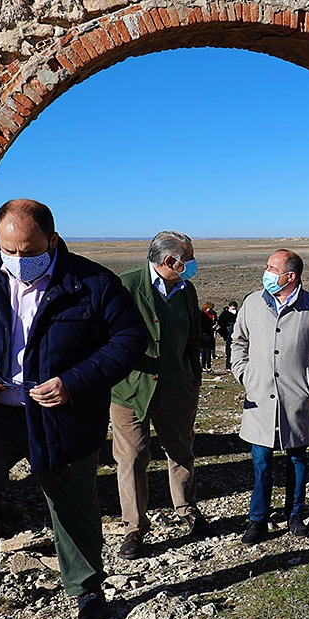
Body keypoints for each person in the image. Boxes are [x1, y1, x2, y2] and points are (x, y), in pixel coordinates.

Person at [0, 199, 147, 619]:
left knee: (72, 499)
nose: (18, 260)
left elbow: (128, 338)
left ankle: (86, 591)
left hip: (63, 413)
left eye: (29, 252)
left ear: (53, 240)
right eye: (9, 250)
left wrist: (75, 382)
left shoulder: (93, 282)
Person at [231, 250, 309, 544]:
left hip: (296, 399)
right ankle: (258, 520)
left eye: (271, 267)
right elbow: (238, 341)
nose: (265, 272)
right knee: (261, 460)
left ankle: (295, 515)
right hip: (258, 399)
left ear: (290, 276)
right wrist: (244, 374)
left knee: (297, 459)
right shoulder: (252, 303)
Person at [109, 230, 206, 560]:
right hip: (131, 390)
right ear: (170, 260)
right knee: (132, 457)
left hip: (178, 386)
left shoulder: (186, 290)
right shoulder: (125, 286)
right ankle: (134, 528)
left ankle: (186, 509)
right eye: (188, 259)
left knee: (181, 449)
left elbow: (194, 336)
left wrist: (193, 376)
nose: (191, 265)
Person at [217, 300, 238, 371]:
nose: (234, 310)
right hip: (228, 334)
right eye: (233, 309)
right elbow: (221, 324)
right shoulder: (224, 314)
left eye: (235, 309)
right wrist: (224, 334)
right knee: (229, 351)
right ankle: (228, 366)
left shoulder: (238, 314)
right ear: (229, 307)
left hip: (237, 334)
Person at [200, 301, 218, 371]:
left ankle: (208, 365)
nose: (211, 310)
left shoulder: (213, 314)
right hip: (204, 334)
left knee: (209, 351)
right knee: (204, 351)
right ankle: (203, 366)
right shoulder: (202, 314)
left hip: (211, 334)